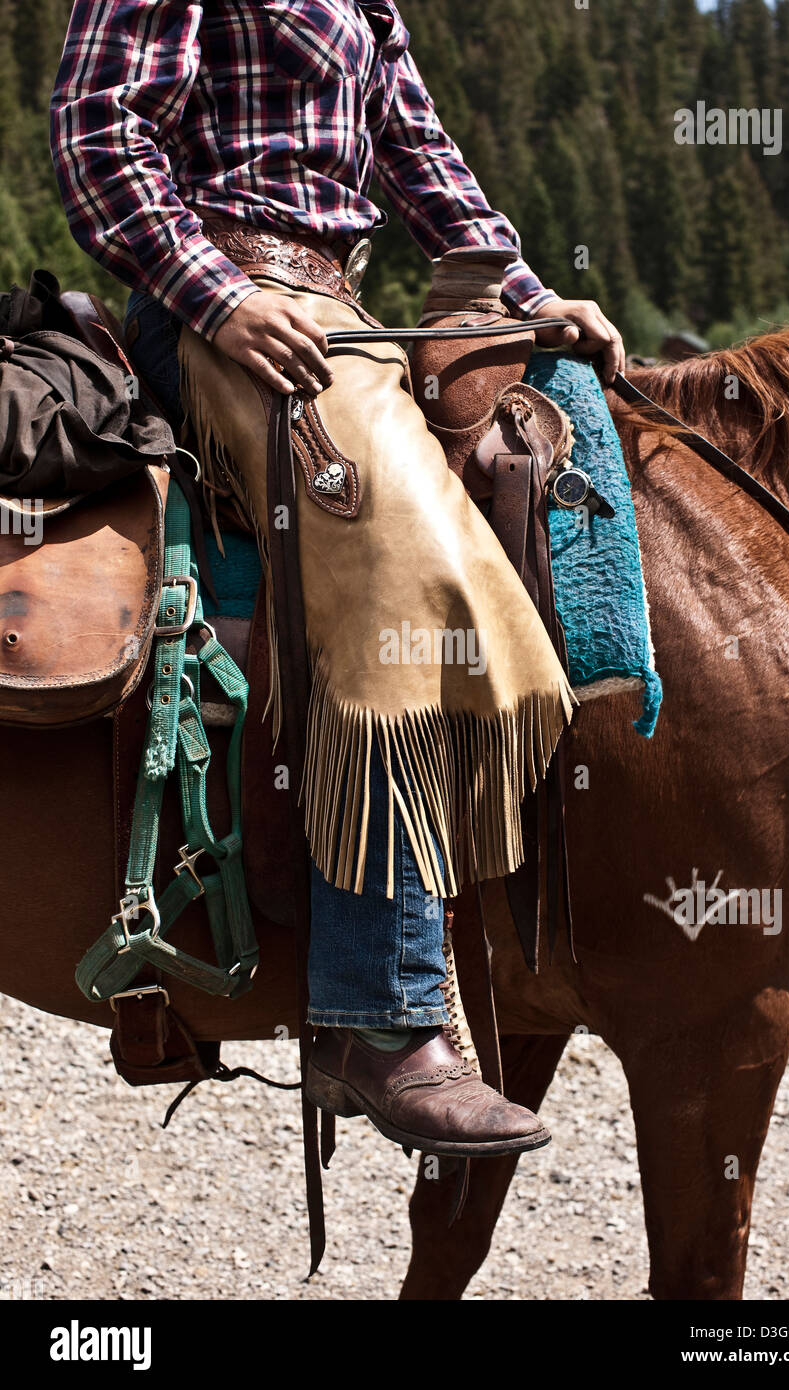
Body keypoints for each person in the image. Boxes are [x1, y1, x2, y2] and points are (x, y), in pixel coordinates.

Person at [50, 0, 625, 1159]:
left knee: (538, 460)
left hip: (340, 307)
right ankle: (382, 1012)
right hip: (221, 306)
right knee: (400, 562)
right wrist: (219, 295)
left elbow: (417, 151)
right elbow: (95, 132)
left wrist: (520, 291)